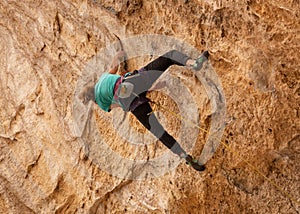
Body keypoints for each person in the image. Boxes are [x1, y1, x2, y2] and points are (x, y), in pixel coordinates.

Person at [82, 50, 209, 171]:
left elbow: (121, 103)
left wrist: (145, 94)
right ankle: (194, 64)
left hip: (134, 104)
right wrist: (119, 55)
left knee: (160, 133)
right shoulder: (103, 77)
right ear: (93, 85)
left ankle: (184, 156)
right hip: (135, 81)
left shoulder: (101, 104)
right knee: (169, 57)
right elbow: (114, 65)